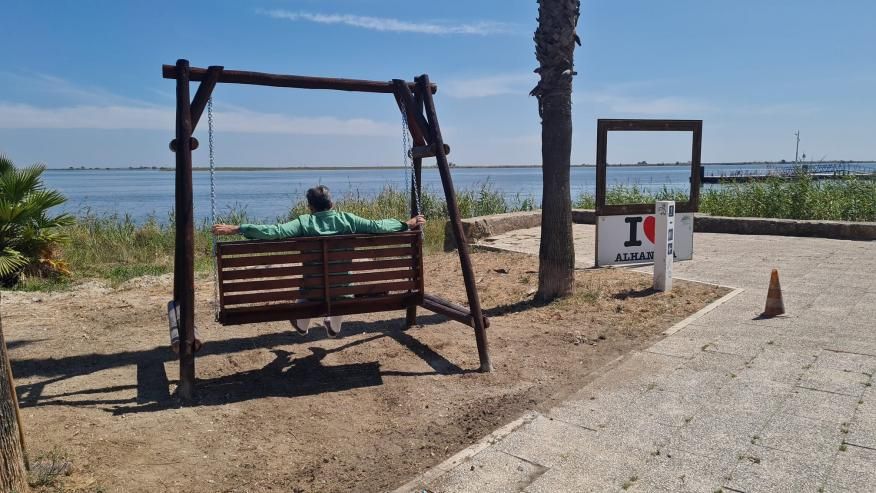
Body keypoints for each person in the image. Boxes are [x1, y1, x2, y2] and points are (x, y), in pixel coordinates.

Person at [213, 185, 425, 338]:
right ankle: (333, 328)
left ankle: (301, 324)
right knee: (340, 287)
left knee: (310, 292)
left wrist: (238, 228)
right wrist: (406, 223)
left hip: (312, 292)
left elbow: (275, 232)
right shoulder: (348, 219)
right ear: (331, 204)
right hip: (342, 290)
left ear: (310, 207)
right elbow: (378, 226)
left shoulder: (304, 222)